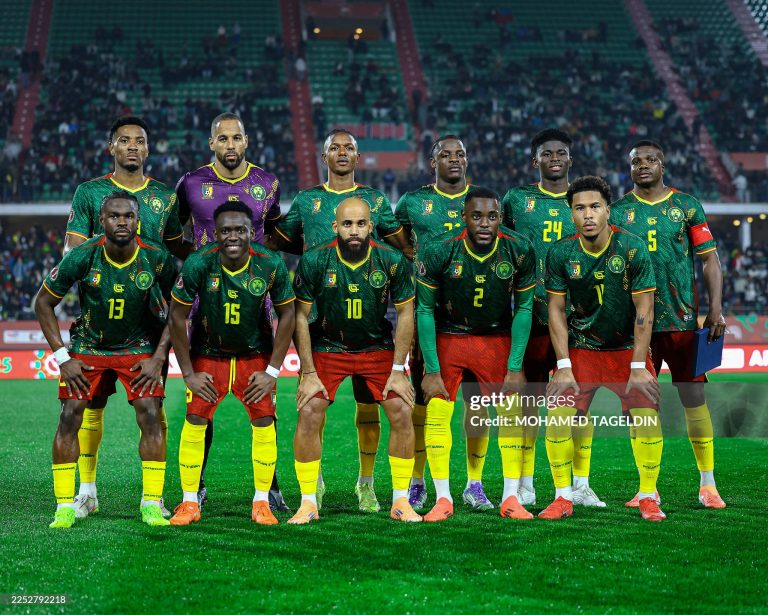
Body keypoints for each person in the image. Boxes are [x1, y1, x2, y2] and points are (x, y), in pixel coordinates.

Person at [267, 128, 412, 513]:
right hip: (318, 322)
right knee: (314, 405)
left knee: (371, 405)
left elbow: (400, 247)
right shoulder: (307, 200)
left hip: (369, 320)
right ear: (324, 155)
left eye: (349, 148)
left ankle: (366, 485)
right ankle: (312, 486)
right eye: (335, 147)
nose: (343, 153)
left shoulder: (375, 200)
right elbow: (279, 240)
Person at [63, 116, 183, 520]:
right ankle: (87, 490)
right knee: (87, 407)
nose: (133, 146)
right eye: (124, 141)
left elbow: (173, 258)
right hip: (98, 322)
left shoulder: (165, 197)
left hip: (150, 327)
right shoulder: (89, 193)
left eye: (140, 141)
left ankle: (153, 496)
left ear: (148, 149)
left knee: (153, 408)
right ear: (111, 147)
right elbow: (74, 253)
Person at [36, 192, 177, 528]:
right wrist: (62, 358)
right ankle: (67, 504)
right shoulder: (83, 255)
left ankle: (151, 502)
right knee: (69, 414)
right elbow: (43, 303)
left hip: (138, 346)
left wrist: (158, 357)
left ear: (137, 219)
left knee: (150, 413)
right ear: (102, 221)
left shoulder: (156, 257)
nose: (122, 222)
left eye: (128, 216)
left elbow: (179, 309)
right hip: (89, 346)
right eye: (114, 216)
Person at [176, 112, 287, 511]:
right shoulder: (190, 183)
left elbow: (274, 232)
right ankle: (197, 486)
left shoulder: (267, 183)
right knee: (201, 399)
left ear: (246, 141)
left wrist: (262, 269)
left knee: (263, 397)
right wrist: (198, 262)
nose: (229, 145)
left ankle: (271, 488)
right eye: (221, 138)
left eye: (235, 138)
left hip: (257, 302)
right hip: (206, 305)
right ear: (212, 143)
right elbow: (175, 233)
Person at [288, 197, 420, 524]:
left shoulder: (390, 260)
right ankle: (308, 502)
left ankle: (401, 501)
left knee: (402, 409)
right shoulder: (315, 261)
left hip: (376, 348)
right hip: (328, 347)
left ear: (371, 226)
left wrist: (398, 370)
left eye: (361, 224)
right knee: (309, 408)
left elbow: (406, 314)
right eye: (347, 224)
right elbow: (299, 317)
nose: (354, 230)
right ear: (335, 227)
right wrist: (307, 372)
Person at [610, 140, 727, 509]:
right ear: (629, 168)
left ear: (663, 164)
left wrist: (716, 309)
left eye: (651, 160)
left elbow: (710, 260)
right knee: (641, 406)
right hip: (636, 328)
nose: (643, 166)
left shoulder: (686, 205)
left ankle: (708, 484)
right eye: (636, 161)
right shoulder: (618, 212)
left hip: (681, 320)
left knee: (694, 400)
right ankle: (648, 488)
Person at [543, 176, 666, 522]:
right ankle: (563, 496)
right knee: (557, 416)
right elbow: (555, 310)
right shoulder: (561, 252)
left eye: (595, 206)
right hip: (582, 349)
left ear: (608, 210)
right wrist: (563, 364)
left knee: (646, 417)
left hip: (628, 349)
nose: (588, 214)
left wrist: (639, 365)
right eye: (580, 208)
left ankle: (647, 496)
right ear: (571, 214)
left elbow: (645, 309)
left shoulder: (631, 247)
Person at [167, 202, 295, 526]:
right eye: (226, 231)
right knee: (195, 421)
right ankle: (188, 502)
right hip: (208, 356)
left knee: (264, 424)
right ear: (215, 233)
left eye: (240, 230)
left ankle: (261, 503)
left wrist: (273, 372)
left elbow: (289, 314)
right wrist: (188, 374)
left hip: (255, 358)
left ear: (252, 233)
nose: (233, 237)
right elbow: (176, 316)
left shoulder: (270, 264)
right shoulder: (199, 263)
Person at [416, 187, 536, 522]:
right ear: (463, 217)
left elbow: (524, 308)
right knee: (439, 413)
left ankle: (510, 498)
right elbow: (424, 310)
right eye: (477, 216)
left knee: (509, 415)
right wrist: (431, 367)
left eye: (492, 216)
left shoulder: (520, 249)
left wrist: (515, 366)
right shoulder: (439, 249)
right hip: (449, 336)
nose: (485, 223)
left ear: (500, 217)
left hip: (495, 339)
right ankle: (443, 499)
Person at [501, 129, 604, 508]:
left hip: (578, 322)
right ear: (536, 160)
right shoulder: (517, 199)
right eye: (547, 153)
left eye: (561, 152)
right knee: (527, 405)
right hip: (530, 317)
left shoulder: (584, 202)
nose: (555, 158)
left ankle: (580, 484)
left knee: (577, 405)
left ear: (570, 159)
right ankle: (526, 485)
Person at [395, 135, 496, 512]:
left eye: (460, 154)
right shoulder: (413, 201)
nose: (454, 159)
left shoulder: (483, 201)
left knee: (476, 403)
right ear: (431, 162)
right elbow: (397, 238)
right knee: (425, 398)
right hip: (430, 317)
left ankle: (474, 482)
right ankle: (419, 480)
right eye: (445, 154)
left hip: (478, 318)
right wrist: (411, 253)